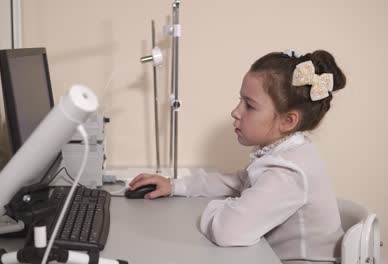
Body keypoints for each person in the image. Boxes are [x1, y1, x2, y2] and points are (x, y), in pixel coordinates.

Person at [128, 50, 346, 264]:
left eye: (249, 105)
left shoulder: (288, 171)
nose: (236, 111)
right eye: (240, 100)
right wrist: (174, 186)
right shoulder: (284, 153)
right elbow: (236, 182)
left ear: (288, 121)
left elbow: (228, 231)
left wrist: (224, 206)